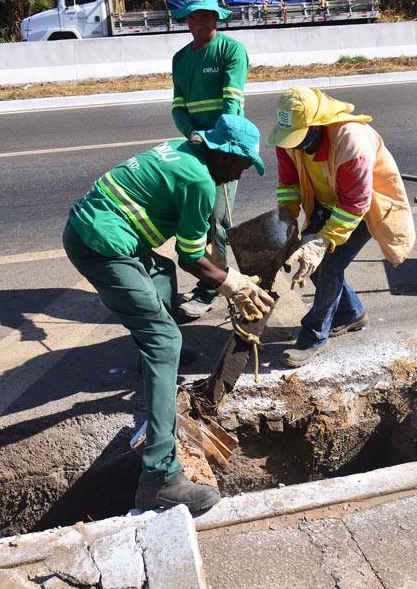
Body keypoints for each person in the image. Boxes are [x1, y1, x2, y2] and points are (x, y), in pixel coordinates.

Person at [63, 114, 273, 512]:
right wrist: (232, 285)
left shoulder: (183, 150)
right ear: (225, 156)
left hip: (92, 225)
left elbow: (195, 245)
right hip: (101, 244)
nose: (242, 174)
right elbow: (191, 258)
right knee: (164, 340)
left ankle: (154, 362)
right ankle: (159, 476)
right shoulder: (199, 181)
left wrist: (228, 271)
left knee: (158, 273)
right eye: (243, 165)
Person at [269, 87, 415, 367]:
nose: (294, 145)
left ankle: (313, 336)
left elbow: (355, 203)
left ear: (317, 125)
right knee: (309, 265)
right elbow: (288, 185)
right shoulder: (288, 137)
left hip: (362, 207)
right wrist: (287, 226)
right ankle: (350, 313)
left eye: (300, 139)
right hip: (327, 203)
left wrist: (322, 242)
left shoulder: (351, 140)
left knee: (329, 265)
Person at [169, 0, 250, 319]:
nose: (200, 23)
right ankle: (212, 278)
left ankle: (214, 287)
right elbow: (177, 107)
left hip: (225, 148)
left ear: (217, 17)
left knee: (217, 219)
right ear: (187, 20)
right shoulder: (181, 58)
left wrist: (216, 141)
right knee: (197, 217)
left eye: (206, 16)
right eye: (194, 17)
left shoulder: (231, 50)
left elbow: (232, 103)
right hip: (197, 146)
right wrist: (191, 133)